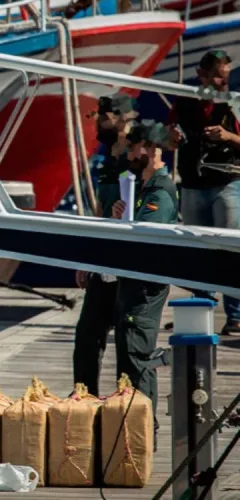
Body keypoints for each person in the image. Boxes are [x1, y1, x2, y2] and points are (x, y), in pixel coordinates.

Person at [111, 122, 179, 452]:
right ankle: (133, 427)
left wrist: (130, 224)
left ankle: (144, 432)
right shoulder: (145, 190)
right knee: (128, 353)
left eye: (135, 148)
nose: (129, 154)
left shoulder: (160, 192)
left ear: (151, 151)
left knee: (137, 357)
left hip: (145, 289)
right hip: (133, 285)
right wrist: (121, 215)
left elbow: (146, 236)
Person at [168, 49, 240, 335]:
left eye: (226, 80)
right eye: (219, 80)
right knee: (199, 248)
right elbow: (167, 137)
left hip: (228, 182)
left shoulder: (234, 104)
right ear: (202, 76)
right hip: (194, 183)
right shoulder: (184, 101)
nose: (224, 85)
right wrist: (171, 137)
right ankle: (202, 307)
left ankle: (235, 314)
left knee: (231, 247)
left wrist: (229, 137)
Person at [71, 102, 132, 397]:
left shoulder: (137, 156)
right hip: (104, 258)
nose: (98, 125)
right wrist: (87, 259)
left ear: (123, 118)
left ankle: (127, 404)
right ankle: (84, 396)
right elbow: (99, 212)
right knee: (87, 335)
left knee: (126, 339)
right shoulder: (109, 156)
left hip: (128, 263)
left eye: (105, 118)